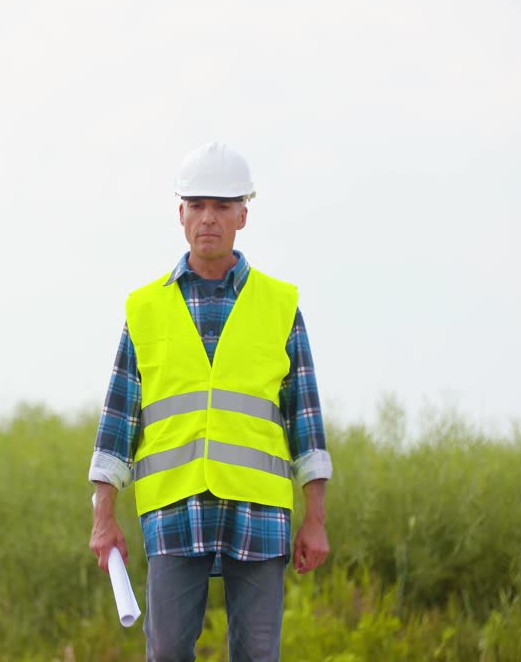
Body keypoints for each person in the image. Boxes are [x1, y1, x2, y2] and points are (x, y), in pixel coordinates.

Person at [88, 142, 332, 662]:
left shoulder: (279, 305)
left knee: (258, 653)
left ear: (244, 213)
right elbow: (116, 425)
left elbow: (306, 422)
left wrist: (316, 517)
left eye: (222, 206)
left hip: (259, 509)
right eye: (197, 205)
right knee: (169, 650)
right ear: (180, 213)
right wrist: (103, 516)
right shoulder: (145, 309)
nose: (208, 218)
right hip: (175, 508)